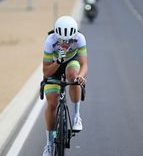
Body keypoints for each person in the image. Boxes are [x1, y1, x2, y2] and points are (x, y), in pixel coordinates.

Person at [42, 16, 88, 156]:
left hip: (71, 63)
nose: (65, 42)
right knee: (52, 103)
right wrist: (57, 61)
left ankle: (76, 116)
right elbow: (46, 71)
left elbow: (84, 64)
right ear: (56, 35)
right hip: (54, 67)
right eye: (62, 40)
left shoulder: (80, 38)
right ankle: (49, 144)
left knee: (73, 77)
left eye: (68, 40)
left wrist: (80, 76)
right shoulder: (50, 41)